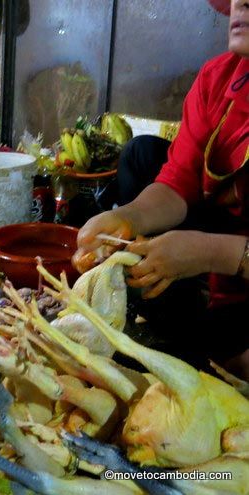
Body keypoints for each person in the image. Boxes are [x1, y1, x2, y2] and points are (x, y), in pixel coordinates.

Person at [75, 0, 248, 377]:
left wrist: (209, 253)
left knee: (232, 368)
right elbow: (176, 182)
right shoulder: (219, 78)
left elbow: (214, 250)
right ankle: (175, 318)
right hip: (229, 257)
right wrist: (127, 217)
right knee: (142, 155)